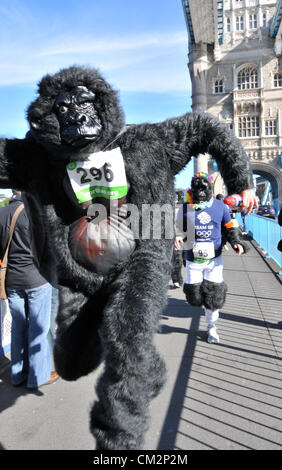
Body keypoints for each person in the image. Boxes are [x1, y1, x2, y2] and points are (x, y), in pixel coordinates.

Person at [175, 173, 248, 344]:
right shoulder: (185, 208)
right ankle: (204, 308)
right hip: (193, 259)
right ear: (191, 190)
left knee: (213, 296)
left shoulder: (221, 207)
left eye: (203, 188)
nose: (200, 192)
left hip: (214, 260)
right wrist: (178, 236)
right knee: (194, 296)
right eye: (196, 189)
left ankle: (211, 327)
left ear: (209, 189)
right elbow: (179, 226)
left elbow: (231, 226)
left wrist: (237, 241)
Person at [0, 190, 59, 389]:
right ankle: (37, 377)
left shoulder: (3, 213)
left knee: (18, 327)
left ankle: (17, 375)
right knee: (38, 329)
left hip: (12, 281)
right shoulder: (38, 214)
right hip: (37, 280)